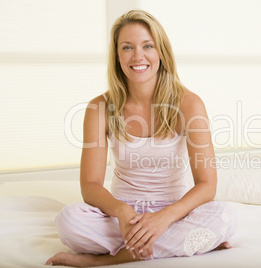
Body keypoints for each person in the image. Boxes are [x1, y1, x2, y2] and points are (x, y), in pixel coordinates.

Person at [46, 10, 237, 267]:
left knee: (224, 216)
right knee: (68, 221)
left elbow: (207, 185)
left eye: (148, 46)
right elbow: (90, 184)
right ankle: (186, 244)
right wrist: (122, 212)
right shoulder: (99, 108)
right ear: (117, 56)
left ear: (161, 52)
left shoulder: (189, 104)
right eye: (127, 47)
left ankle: (101, 261)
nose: (138, 56)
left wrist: (163, 218)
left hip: (175, 213)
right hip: (122, 217)